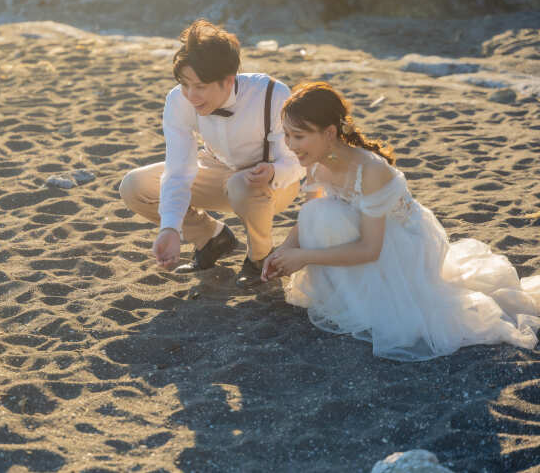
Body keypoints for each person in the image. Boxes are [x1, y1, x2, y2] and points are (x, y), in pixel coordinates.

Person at [261, 81, 540, 360]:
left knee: (328, 218)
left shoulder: (370, 170)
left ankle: (364, 298)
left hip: (401, 246)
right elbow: (308, 218)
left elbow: (371, 249)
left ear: (330, 133)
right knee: (319, 213)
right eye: (287, 135)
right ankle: (347, 295)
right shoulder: (316, 160)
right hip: (359, 233)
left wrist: (304, 256)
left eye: (298, 136)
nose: (291, 145)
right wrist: (284, 251)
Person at [119, 19, 304, 287]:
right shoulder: (178, 100)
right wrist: (170, 228)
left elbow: (297, 161)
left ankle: (259, 258)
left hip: (271, 183)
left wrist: (274, 171)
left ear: (228, 81)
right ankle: (211, 238)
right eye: (185, 84)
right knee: (134, 185)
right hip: (215, 169)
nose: (191, 95)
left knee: (241, 183)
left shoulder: (272, 94)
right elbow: (178, 169)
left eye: (200, 86)